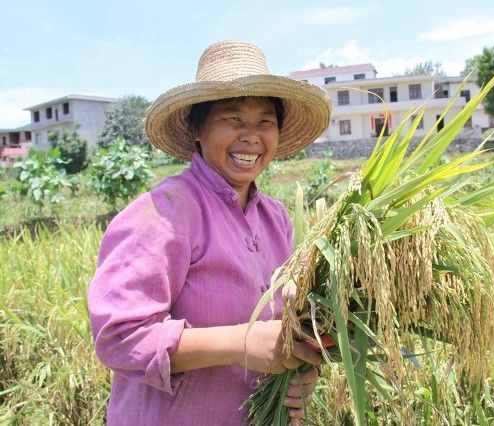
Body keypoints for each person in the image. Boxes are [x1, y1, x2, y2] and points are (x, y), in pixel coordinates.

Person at [87, 40, 332, 425]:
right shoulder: (164, 212)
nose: (251, 136)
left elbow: (286, 328)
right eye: (233, 119)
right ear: (197, 129)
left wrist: (302, 373)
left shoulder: (275, 218)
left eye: (265, 122)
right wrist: (242, 343)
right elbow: (119, 338)